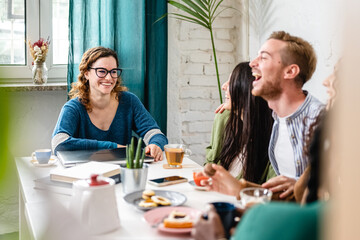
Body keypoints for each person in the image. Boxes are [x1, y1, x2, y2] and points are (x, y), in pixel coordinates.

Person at [51, 46, 167, 161]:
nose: (109, 77)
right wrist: (113, 147)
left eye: (113, 72)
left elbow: (154, 132)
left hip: (123, 171)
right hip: (86, 174)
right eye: (101, 71)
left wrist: (156, 144)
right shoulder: (73, 108)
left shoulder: (129, 101)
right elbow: (59, 143)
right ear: (86, 73)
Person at [206, 62, 274, 183]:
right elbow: (210, 163)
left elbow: (270, 192)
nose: (224, 86)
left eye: (231, 82)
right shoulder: (225, 118)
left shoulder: (273, 137)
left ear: (245, 89)